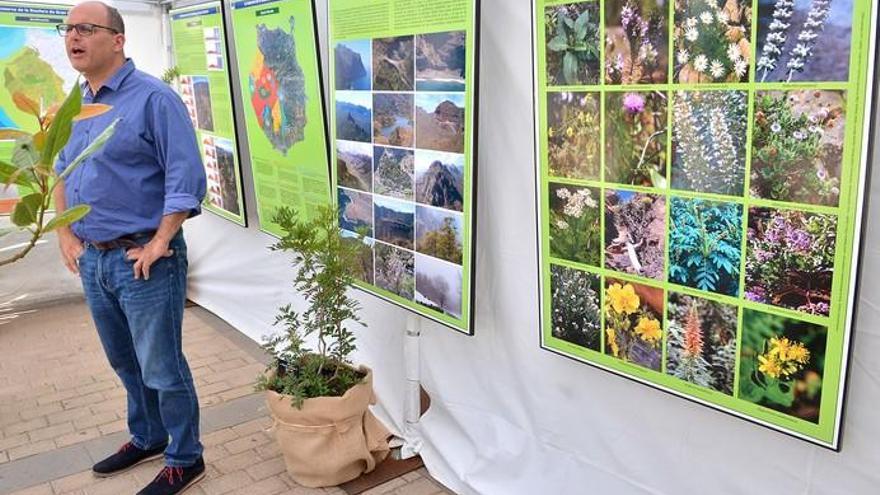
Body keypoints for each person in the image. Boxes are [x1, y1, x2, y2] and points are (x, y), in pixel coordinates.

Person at [53, 2, 207, 494]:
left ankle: (186, 457)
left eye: (85, 29)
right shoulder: (76, 103)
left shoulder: (154, 99)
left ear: (117, 40)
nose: (73, 37)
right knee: (125, 361)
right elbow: (59, 169)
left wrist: (162, 241)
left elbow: (186, 178)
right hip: (95, 260)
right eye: (68, 29)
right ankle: (148, 435)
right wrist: (64, 233)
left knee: (161, 364)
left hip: (143, 259)